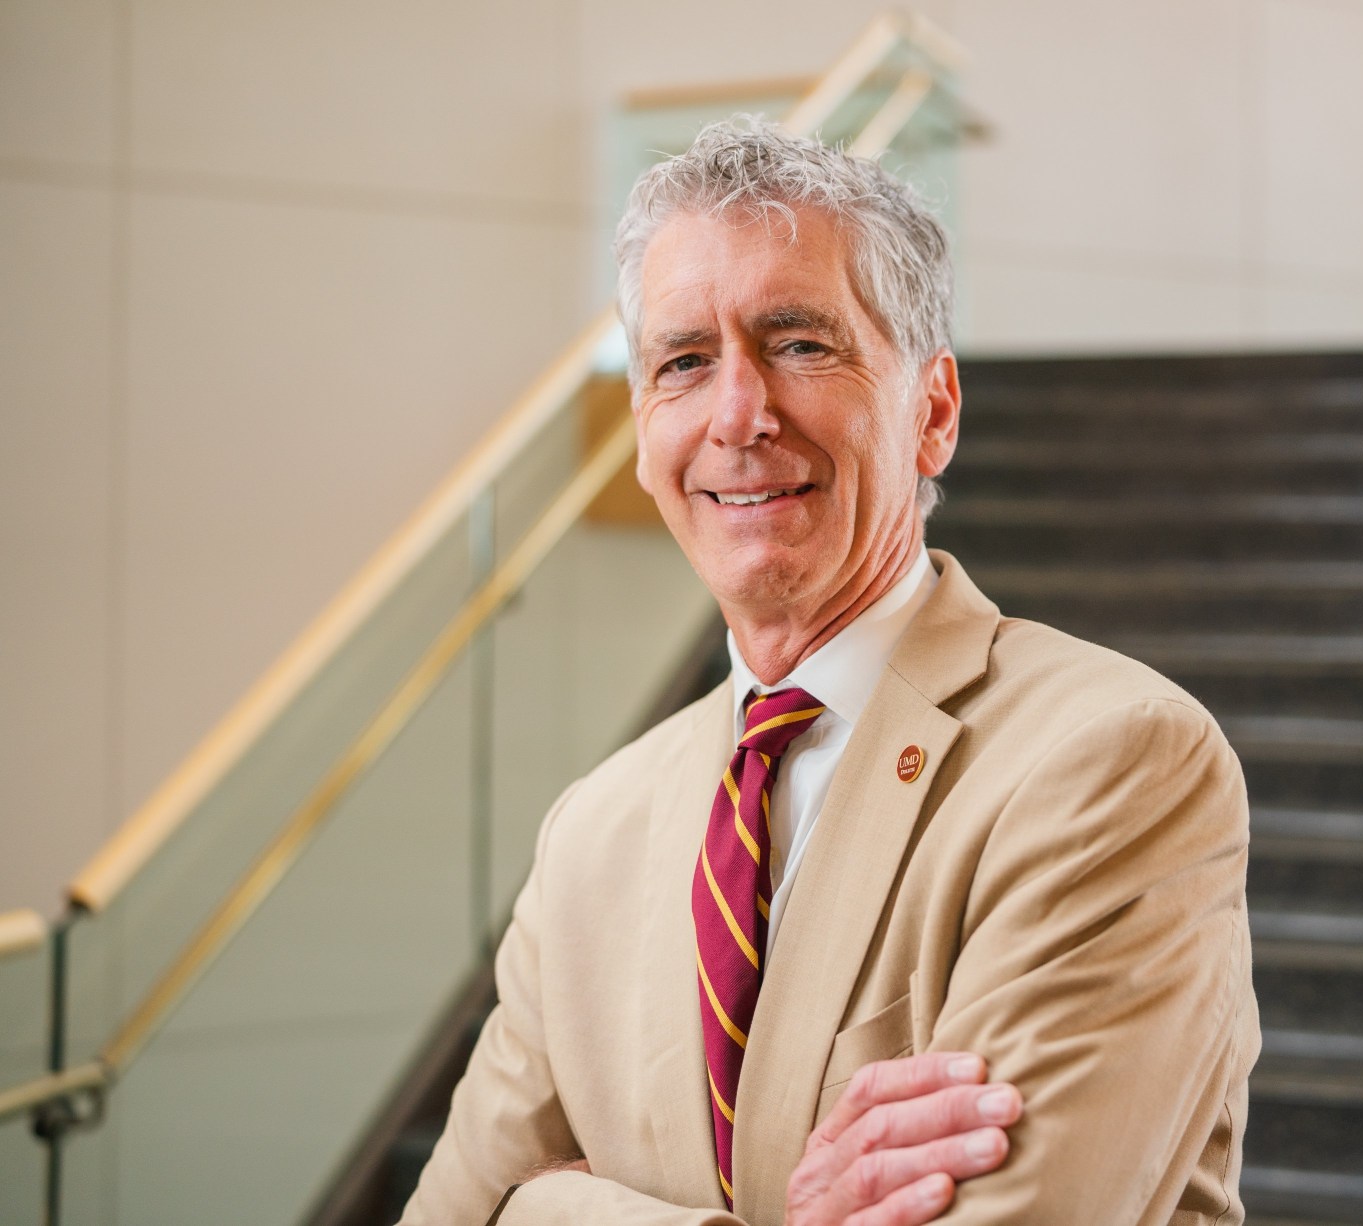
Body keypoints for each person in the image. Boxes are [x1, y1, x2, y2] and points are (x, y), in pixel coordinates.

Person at [398, 118, 1259, 1226]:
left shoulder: (1112, 758)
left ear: (932, 411)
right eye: (683, 362)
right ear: (643, 426)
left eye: (799, 344)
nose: (737, 416)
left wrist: (548, 1209)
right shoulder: (591, 833)